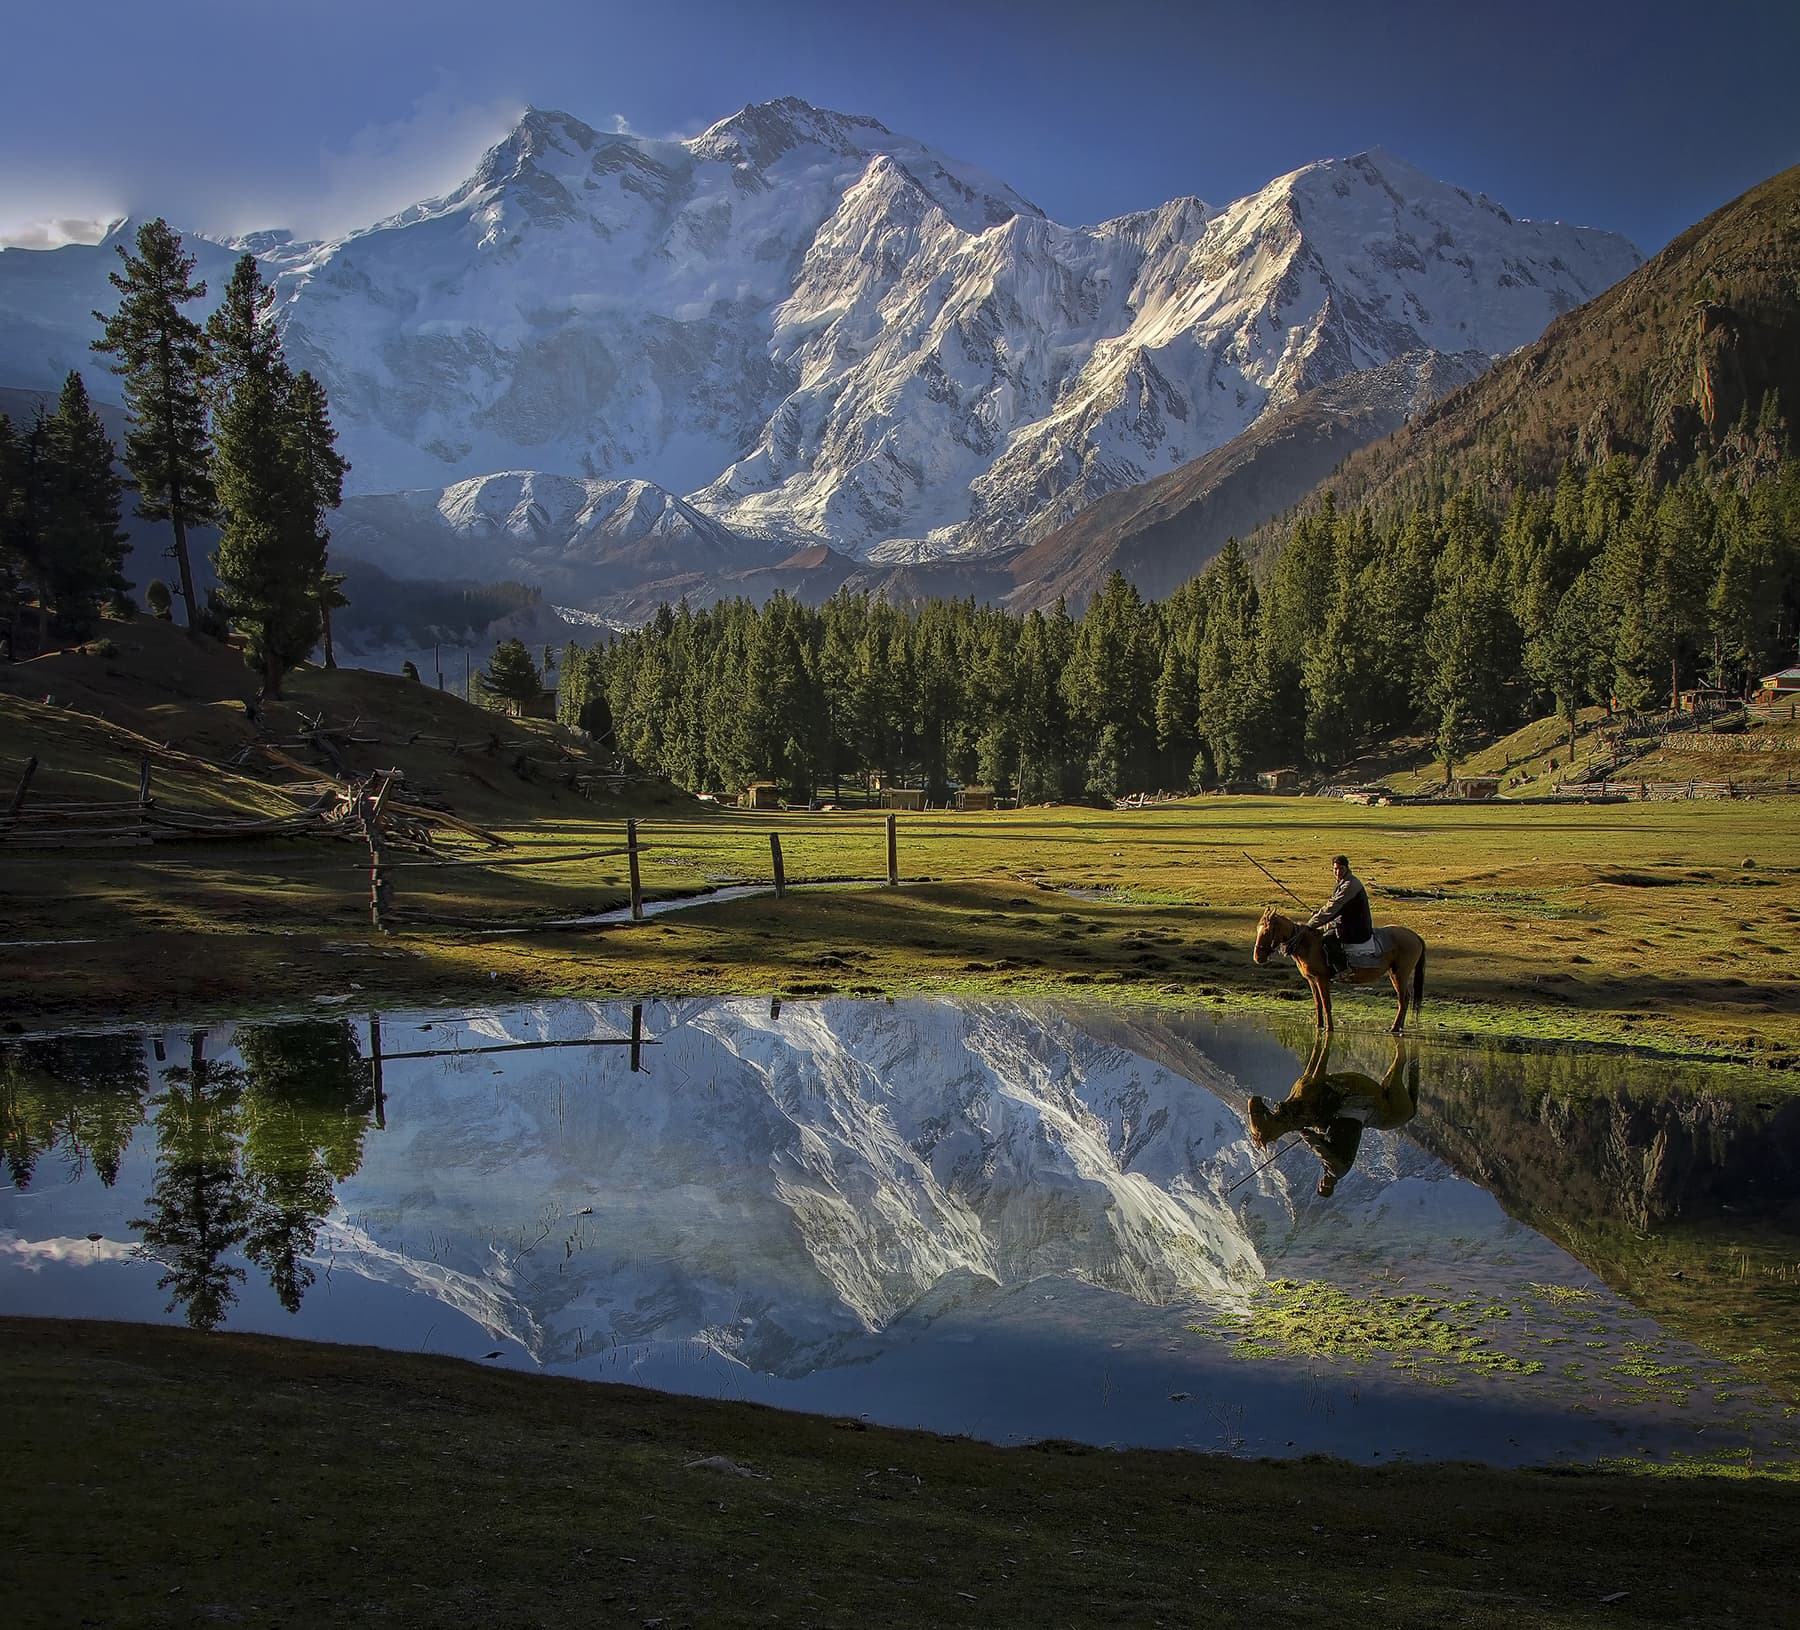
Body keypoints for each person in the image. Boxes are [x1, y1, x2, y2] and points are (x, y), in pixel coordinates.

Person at [1306, 854, 1375, 976]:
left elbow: (1334, 906)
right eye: (1335, 869)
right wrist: (1319, 914)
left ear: (1346, 869)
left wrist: (1311, 924)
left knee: (1327, 939)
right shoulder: (1343, 882)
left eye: (1340, 869)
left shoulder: (1350, 885)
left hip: (1356, 927)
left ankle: (1343, 970)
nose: (1337, 872)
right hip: (1346, 922)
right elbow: (1332, 906)